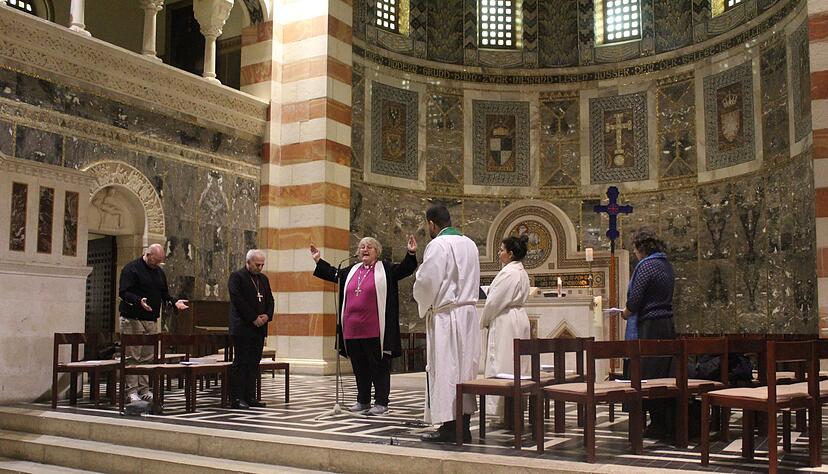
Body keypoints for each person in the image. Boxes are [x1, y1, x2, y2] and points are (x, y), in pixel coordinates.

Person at [310, 235, 418, 416]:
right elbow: (332, 274)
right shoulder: (351, 270)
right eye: (362, 247)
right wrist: (318, 260)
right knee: (359, 367)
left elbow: (405, 269)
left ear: (377, 251)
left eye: (369, 247)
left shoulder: (385, 269)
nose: (365, 249)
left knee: (378, 367)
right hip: (352, 330)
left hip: (375, 330)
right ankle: (363, 400)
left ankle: (382, 402)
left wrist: (411, 253)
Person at [413, 204, 481, 443]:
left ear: (432, 223)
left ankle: (450, 429)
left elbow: (427, 281)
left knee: (446, 370)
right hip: (468, 316)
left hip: (447, 317)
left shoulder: (438, 245)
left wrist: (420, 296)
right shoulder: (470, 244)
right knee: (464, 371)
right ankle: (464, 425)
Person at [621, 228, 676, 439]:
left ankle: (654, 424)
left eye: (635, 249)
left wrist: (625, 313)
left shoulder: (646, 267)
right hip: (667, 325)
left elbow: (635, 300)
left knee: (645, 376)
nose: (635, 254)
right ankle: (662, 421)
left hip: (649, 326)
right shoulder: (666, 265)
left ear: (642, 248)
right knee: (663, 375)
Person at [118, 243, 189, 403]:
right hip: (132, 319)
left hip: (151, 320)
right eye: (155, 260)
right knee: (132, 356)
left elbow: (164, 294)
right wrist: (138, 301)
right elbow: (123, 292)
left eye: (159, 261)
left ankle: (144, 389)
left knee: (147, 357)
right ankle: (131, 392)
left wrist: (174, 302)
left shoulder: (159, 272)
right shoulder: (132, 269)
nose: (156, 264)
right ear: (147, 254)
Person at [479, 235, 531, 422]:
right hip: (517, 318)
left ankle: (501, 411)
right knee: (515, 363)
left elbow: (494, 301)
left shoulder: (509, 272)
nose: (499, 253)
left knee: (502, 362)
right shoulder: (520, 271)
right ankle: (512, 409)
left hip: (505, 319)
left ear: (510, 254)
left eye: (502, 250)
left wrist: (484, 320)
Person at [228, 249, 274, 409]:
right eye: (257, 264)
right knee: (242, 362)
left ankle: (250, 396)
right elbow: (238, 301)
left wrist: (267, 316)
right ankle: (236, 398)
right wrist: (253, 318)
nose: (260, 268)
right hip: (243, 328)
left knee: (254, 363)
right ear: (248, 262)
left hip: (259, 329)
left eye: (262, 265)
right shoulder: (237, 277)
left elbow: (270, 300)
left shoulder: (263, 279)